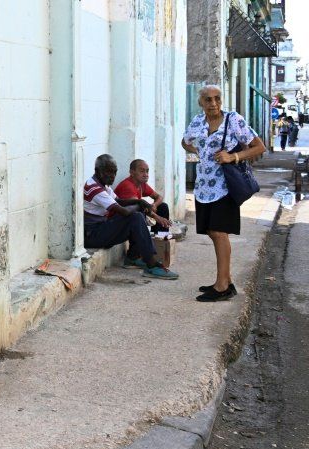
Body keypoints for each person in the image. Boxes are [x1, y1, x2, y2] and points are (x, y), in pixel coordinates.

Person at [181, 85, 266, 302]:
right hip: (203, 186)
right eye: (208, 99)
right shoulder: (197, 122)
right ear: (201, 102)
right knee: (212, 231)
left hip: (226, 185)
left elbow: (259, 147)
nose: (213, 103)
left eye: (217, 98)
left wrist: (233, 157)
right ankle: (225, 280)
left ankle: (222, 287)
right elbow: (185, 141)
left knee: (219, 232)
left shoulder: (233, 120)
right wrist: (197, 150)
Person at [84, 154, 179, 279]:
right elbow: (124, 211)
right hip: (92, 235)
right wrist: (140, 204)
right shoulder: (95, 188)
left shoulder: (103, 185)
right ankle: (151, 264)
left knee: (139, 215)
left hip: (100, 230)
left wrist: (139, 202)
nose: (113, 176)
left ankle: (133, 257)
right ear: (98, 171)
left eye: (115, 172)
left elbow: (119, 201)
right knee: (136, 217)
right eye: (109, 172)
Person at [114, 159, 172, 234]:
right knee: (140, 211)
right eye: (142, 171)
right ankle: (142, 239)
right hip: (118, 220)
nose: (146, 174)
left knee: (163, 206)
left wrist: (154, 205)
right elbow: (138, 206)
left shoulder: (141, 184)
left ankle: (160, 236)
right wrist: (158, 218)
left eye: (147, 171)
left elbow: (159, 197)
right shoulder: (127, 186)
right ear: (132, 172)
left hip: (132, 216)